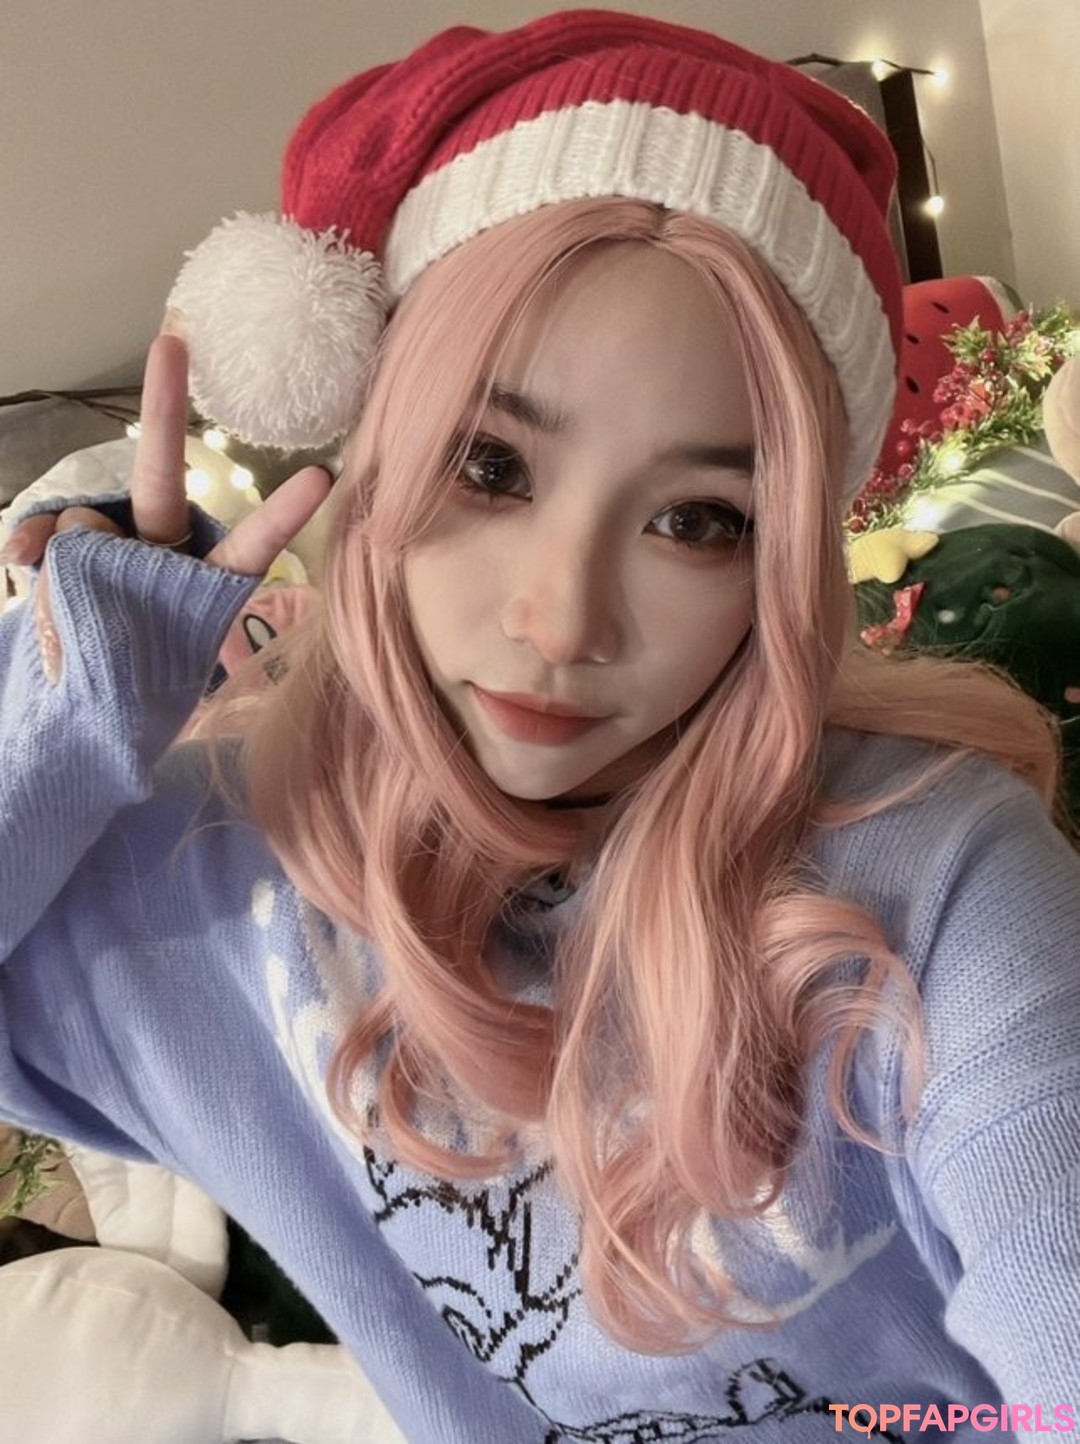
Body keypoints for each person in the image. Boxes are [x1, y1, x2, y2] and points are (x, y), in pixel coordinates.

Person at [2, 10, 1078, 1439]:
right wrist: (68, 706)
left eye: (700, 521)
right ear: (378, 455)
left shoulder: (941, 887)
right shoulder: (197, 890)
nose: (562, 621)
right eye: (491, 465)